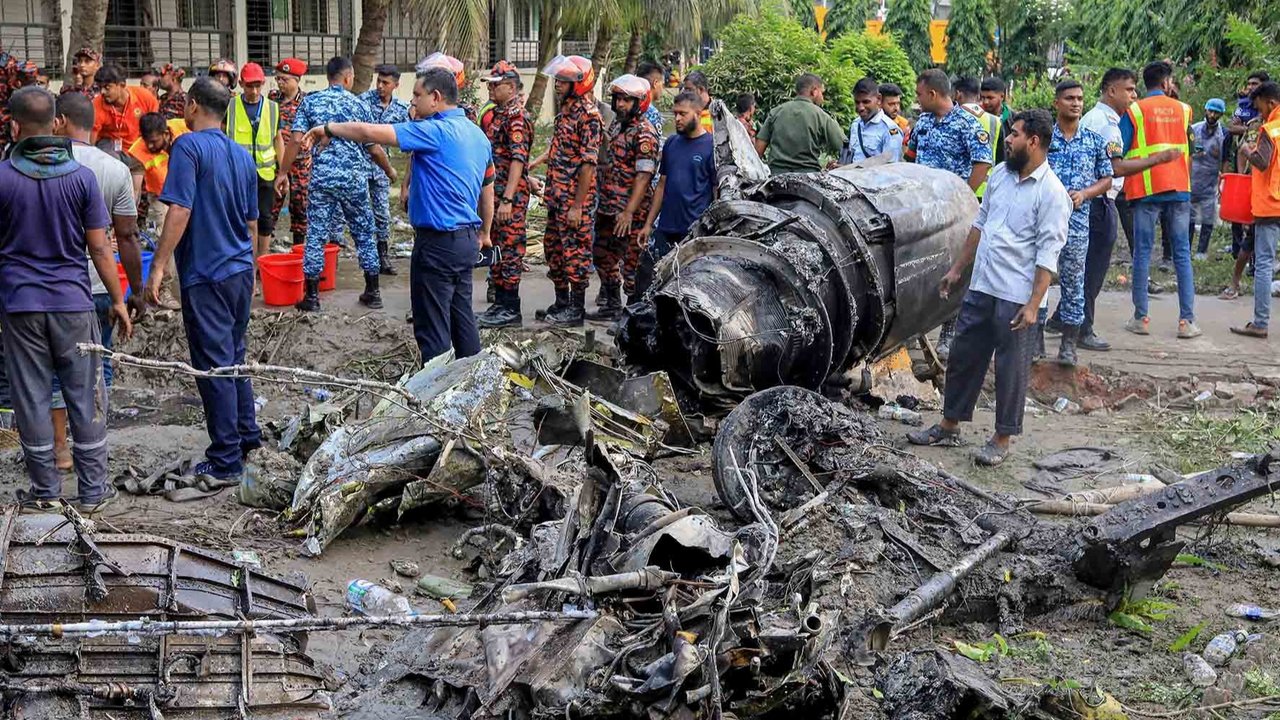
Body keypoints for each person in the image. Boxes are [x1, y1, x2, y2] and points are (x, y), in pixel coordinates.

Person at [907, 110, 1071, 467]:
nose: (1007, 140)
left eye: (1013, 135)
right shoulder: (1000, 175)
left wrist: (1033, 304)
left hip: (1018, 296)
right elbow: (979, 226)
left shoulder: (1053, 194)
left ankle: (1002, 438)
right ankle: (949, 426)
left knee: (1011, 370)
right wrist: (956, 270)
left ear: (1034, 142)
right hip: (982, 286)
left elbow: (1048, 255)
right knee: (964, 357)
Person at [303, 67, 494, 361]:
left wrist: (327, 128)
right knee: (462, 318)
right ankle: (473, 383)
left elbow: (368, 132)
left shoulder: (435, 130)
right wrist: (485, 233)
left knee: (432, 327)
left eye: (417, 95)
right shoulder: (477, 135)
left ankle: (436, 395)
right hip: (466, 240)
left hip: (438, 244)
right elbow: (487, 187)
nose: (412, 103)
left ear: (436, 97)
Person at [0, 86, 132, 513]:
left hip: (20, 306)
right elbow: (100, 248)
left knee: (33, 395)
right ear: (54, 121)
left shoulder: (2, 177)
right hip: (73, 303)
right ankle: (93, 492)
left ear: (14, 125)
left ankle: (46, 492)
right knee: (85, 390)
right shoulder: (81, 178)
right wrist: (118, 299)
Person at [146, 77, 261, 486]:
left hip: (207, 272)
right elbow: (252, 222)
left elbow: (179, 209)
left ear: (192, 106)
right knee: (235, 356)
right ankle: (248, 439)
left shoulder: (188, 147)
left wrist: (158, 266)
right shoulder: (241, 155)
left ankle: (226, 457)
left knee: (214, 366)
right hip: (237, 270)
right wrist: (251, 267)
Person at [51, 92, 147, 469]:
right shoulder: (115, 169)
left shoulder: (40, 163)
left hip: (55, 289)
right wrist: (134, 291)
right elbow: (127, 236)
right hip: (100, 286)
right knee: (100, 364)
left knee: (55, 369)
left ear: (59, 121)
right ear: (92, 124)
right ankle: (93, 442)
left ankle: (60, 450)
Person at [278, 56, 395, 312]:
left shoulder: (311, 101)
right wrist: (390, 171)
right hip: (354, 179)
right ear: (348, 76)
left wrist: (282, 173)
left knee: (316, 233)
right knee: (364, 231)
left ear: (328, 77)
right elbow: (373, 147)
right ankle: (372, 291)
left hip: (322, 180)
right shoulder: (359, 105)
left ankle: (311, 297)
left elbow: (295, 141)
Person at [906, 69, 994, 359]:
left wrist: (961, 197)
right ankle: (912, 331)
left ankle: (947, 334)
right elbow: (910, 156)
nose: (917, 100)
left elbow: (982, 165)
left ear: (932, 93)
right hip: (922, 210)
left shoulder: (969, 125)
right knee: (917, 267)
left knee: (953, 269)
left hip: (953, 213)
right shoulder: (923, 124)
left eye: (919, 95)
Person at [1117, 61, 1199, 339]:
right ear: (1166, 83)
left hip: (1146, 190)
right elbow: (1192, 147)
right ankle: (1187, 322)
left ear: (1146, 83)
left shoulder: (1134, 111)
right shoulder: (1185, 110)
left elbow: (1120, 150)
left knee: (1142, 253)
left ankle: (1141, 318)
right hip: (1179, 189)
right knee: (1182, 254)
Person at [1041, 79, 1114, 366]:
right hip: (1044, 222)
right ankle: (1035, 342)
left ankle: (1069, 345)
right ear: (1057, 102)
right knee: (1040, 279)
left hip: (1078, 223)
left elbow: (1107, 178)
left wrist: (1085, 194)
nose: (1076, 103)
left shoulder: (1094, 141)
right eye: (1069, 98)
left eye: (1080, 98)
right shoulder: (1045, 139)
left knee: (1074, 282)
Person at [526, 55, 603, 327]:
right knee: (554, 250)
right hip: (556, 197)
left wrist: (578, 205)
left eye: (564, 80)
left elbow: (587, 165)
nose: (558, 84)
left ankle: (576, 309)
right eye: (558, 79)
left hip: (574, 199)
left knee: (576, 253)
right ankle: (561, 302)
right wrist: (538, 161)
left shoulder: (589, 117)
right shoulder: (566, 112)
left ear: (579, 84)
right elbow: (561, 149)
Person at [589, 74, 660, 322]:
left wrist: (629, 212)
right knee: (601, 254)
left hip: (633, 212)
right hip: (608, 207)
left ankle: (632, 316)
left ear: (639, 102)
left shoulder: (645, 134)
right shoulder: (617, 126)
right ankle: (611, 303)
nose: (620, 104)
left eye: (626, 100)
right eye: (618, 99)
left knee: (632, 263)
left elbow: (643, 176)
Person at [635, 91, 717, 299]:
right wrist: (648, 224)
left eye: (683, 114)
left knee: (688, 287)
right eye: (675, 114)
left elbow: (716, 192)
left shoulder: (711, 147)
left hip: (694, 232)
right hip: (666, 228)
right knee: (650, 279)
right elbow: (662, 184)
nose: (677, 119)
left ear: (698, 113)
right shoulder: (671, 143)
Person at [1077, 67, 1137, 351]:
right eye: (1129, 90)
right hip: (1100, 201)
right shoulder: (1107, 124)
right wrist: (1157, 160)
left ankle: (1063, 317)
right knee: (1093, 268)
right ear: (1111, 90)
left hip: (1090, 200)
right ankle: (1082, 327)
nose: (1133, 96)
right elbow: (1115, 167)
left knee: (1082, 263)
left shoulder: (1093, 117)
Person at [477, 61, 533, 329]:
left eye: (495, 84)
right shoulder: (498, 115)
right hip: (495, 196)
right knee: (498, 249)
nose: (490, 88)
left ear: (511, 88)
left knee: (510, 251)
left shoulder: (517, 118)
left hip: (508, 198)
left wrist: (508, 199)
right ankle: (500, 303)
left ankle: (511, 308)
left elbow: (517, 160)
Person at [1231, 81, 1280, 340]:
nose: (1257, 110)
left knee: (1263, 265)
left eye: (1259, 105)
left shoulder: (1270, 130)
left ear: (1270, 102)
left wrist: (1247, 150)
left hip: (1271, 206)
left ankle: (1260, 322)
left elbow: (1261, 162)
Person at [360, 64, 411, 275]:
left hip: (381, 170)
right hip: (360, 167)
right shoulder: (363, 101)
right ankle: (367, 259)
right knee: (361, 214)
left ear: (396, 85)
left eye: (386, 83)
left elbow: (409, 138)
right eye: (379, 81)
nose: (380, 86)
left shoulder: (401, 109)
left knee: (382, 213)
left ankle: (383, 257)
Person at [225, 62, 281, 259]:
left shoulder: (273, 108)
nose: (255, 91)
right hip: (238, 173)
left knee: (265, 219)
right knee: (242, 218)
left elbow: (278, 139)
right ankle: (245, 260)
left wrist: (282, 173)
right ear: (241, 84)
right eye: (250, 86)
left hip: (265, 173)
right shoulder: (230, 107)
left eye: (258, 85)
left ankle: (262, 262)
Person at [755, 73, 845, 174]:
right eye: (822, 93)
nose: (822, 98)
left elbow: (758, 150)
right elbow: (842, 145)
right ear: (814, 91)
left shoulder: (776, 112)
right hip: (808, 177)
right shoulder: (821, 116)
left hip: (776, 177)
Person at [269, 57, 310, 246]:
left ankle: (299, 252)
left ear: (297, 80)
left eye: (285, 79)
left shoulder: (307, 102)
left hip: (300, 164)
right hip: (276, 162)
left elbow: (315, 132)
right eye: (278, 79)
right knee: (270, 207)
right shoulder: (271, 100)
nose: (280, 83)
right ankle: (264, 252)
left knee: (300, 207)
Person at [128, 111, 188, 232]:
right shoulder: (137, 152)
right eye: (146, 141)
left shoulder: (183, 128)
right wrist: (127, 218)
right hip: (159, 196)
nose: (150, 146)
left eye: (154, 141)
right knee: (160, 230)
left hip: (185, 191)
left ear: (166, 134)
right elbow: (135, 189)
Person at [1190, 98, 1230, 259]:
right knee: (1189, 217)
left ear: (1221, 114)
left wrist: (1224, 182)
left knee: (1208, 217)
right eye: (1210, 111)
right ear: (1206, 110)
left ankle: (1202, 251)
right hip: (1192, 179)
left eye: (1216, 112)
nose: (1212, 115)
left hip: (1211, 182)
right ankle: (1186, 248)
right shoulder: (1193, 130)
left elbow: (1226, 159)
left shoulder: (1224, 135)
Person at [954, 76, 1007, 193]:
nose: (986, 102)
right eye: (983, 98)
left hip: (969, 190)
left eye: (990, 98)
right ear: (978, 96)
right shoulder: (994, 121)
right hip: (981, 191)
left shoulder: (951, 117)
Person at [842, 77, 903, 163]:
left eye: (866, 102)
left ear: (879, 99)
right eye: (857, 102)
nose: (861, 107)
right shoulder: (856, 124)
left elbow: (890, 170)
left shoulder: (890, 130)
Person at [637, 61, 667, 138]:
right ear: (655, 83)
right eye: (663, 84)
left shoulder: (630, 105)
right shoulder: (652, 112)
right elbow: (657, 142)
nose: (663, 88)